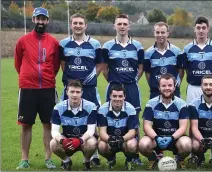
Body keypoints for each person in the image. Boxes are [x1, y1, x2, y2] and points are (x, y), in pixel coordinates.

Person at [14, 7, 60, 169]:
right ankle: (24, 159)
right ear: (33, 20)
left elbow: (55, 67)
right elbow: (18, 64)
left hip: (47, 88)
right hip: (28, 89)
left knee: (48, 124)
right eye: (37, 18)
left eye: (43, 19)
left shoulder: (54, 42)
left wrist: (46, 77)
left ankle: (48, 158)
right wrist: (28, 76)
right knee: (26, 125)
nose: (40, 22)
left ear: (47, 21)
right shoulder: (23, 41)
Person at [59, 13, 104, 165]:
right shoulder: (64, 43)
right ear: (71, 25)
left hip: (90, 89)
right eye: (75, 23)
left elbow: (99, 65)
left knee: (94, 119)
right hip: (70, 90)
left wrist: (89, 79)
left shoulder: (95, 44)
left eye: (80, 23)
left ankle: (94, 154)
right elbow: (63, 64)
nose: (78, 25)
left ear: (86, 25)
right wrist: (71, 82)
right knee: (67, 119)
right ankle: (67, 155)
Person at [102, 14, 144, 165]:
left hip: (132, 88)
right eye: (119, 23)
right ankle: (111, 154)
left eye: (124, 24)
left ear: (129, 26)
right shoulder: (107, 46)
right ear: (114, 26)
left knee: (134, 121)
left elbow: (140, 68)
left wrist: (133, 80)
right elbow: (105, 69)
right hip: (114, 88)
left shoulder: (137, 46)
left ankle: (134, 155)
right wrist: (114, 83)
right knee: (110, 119)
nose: (122, 26)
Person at [138, 74, 192, 170]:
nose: (167, 88)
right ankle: (154, 159)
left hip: (175, 138)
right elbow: (147, 126)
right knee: (143, 144)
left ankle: (179, 159)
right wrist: (156, 137)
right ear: (159, 87)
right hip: (156, 138)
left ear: (174, 87)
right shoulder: (151, 103)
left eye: (170, 85)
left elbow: (183, 127)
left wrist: (172, 137)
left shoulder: (181, 104)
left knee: (187, 144)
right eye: (164, 86)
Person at [49, 80, 98, 171]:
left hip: (84, 140)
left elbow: (91, 130)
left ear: (81, 93)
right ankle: (66, 161)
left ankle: (86, 161)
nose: (75, 95)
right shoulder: (58, 108)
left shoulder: (91, 107)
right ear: (67, 92)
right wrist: (62, 140)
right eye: (72, 91)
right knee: (53, 143)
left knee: (92, 143)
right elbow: (54, 131)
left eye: (77, 92)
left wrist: (80, 140)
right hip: (67, 139)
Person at [180, 16, 212, 104]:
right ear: (194, 29)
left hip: (209, 88)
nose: (201, 31)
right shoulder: (187, 49)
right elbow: (187, 69)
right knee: (192, 116)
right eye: (198, 28)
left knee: (211, 116)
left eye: (204, 28)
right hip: (193, 88)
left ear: (208, 29)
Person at [97, 84, 139, 170]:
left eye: (120, 96)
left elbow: (132, 132)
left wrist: (122, 139)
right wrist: (110, 140)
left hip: (125, 140)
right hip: (110, 140)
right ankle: (111, 160)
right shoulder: (102, 110)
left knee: (132, 145)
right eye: (114, 96)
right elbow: (102, 132)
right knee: (101, 146)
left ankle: (129, 160)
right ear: (110, 96)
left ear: (124, 96)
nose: (117, 99)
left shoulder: (131, 109)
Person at [144, 22, 184, 99]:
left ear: (167, 34)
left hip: (173, 92)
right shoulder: (148, 53)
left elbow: (181, 71)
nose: (160, 35)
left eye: (163, 32)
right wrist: (154, 86)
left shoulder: (177, 51)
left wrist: (176, 84)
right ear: (154, 33)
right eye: (157, 32)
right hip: (155, 93)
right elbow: (147, 73)